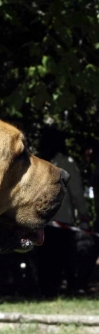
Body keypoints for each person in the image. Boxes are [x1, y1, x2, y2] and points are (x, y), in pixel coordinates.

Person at [37, 127, 96, 296]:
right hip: (62, 221)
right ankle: (66, 288)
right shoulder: (67, 163)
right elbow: (76, 192)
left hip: (40, 221)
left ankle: (46, 289)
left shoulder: (37, 161)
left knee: (45, 258)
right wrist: (83, 214)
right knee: (62, 258)